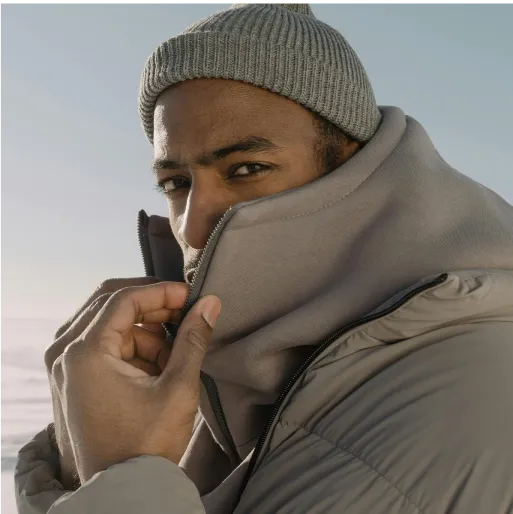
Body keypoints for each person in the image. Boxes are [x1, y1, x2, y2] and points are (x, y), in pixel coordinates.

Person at [14, 1, 513, 513]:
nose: (191, 227)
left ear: (352, 165)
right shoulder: (218, 387)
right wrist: (78, 459)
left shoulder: (468, 398)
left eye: (247, 169)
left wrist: (125, 473)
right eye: (176, 182)